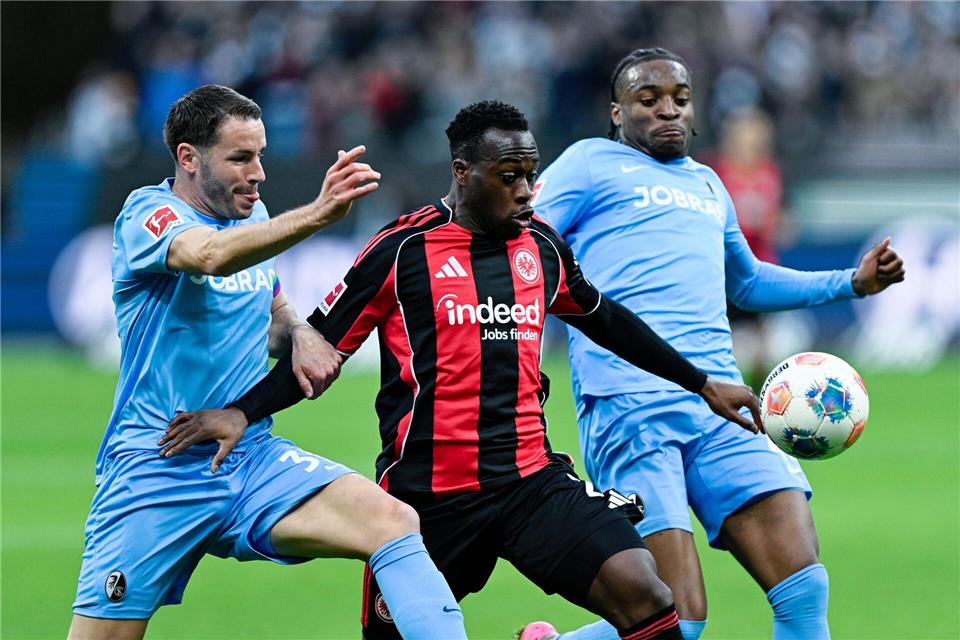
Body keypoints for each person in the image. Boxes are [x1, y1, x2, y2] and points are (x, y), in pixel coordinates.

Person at [159, 100, 765, 640]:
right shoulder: (402, 251)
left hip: (530, 482)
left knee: (650, 601)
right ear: (462, 173)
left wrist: (702, 382)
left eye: (530, 174)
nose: (528, 190)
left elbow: (605, 318)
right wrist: (242, 412)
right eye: (509, 178)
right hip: (427, 502)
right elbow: (316, 355)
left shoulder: (543, 247)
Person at [525, 48, 906, 640]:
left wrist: (851, 283)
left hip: (724, 403)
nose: (667, 111)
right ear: (617, 112)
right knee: (679, 621)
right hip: (630, 404)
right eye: (648, 101)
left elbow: (747, 280)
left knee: (805, 591)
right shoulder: (589, 164)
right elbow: (523, 241)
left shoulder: (708, 183)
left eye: (679, 98)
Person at [68, 84, 467, 640]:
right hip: (157, 467)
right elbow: (208, 257)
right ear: (188, 158)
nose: (258, 173)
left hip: (249, 458)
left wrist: (300, 331)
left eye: (259, 155)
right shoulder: (148, 214)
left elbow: (271, 305)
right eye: (239, 157)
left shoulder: (250, 217)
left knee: (392, 521)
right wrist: (319, 214)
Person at [710, 108, 788, 390]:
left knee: (762, 344)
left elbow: (783, 220)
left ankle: (760, 399)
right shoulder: (715, 172)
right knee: (715, 337)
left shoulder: (771, 172)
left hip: (758, 267)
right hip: (720, 269)